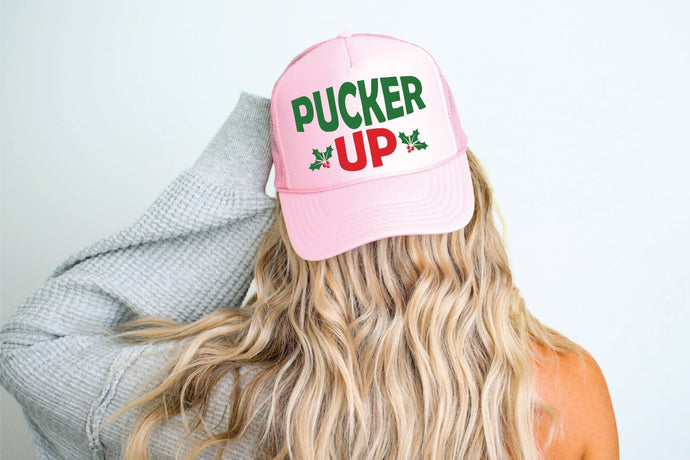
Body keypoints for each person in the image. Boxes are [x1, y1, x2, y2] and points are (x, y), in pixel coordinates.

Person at [0, 33, 619, 460]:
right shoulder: (565, 388)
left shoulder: (217, 397)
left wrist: (267, 135)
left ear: (292, 233)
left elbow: (30, 344)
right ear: (472, 201)